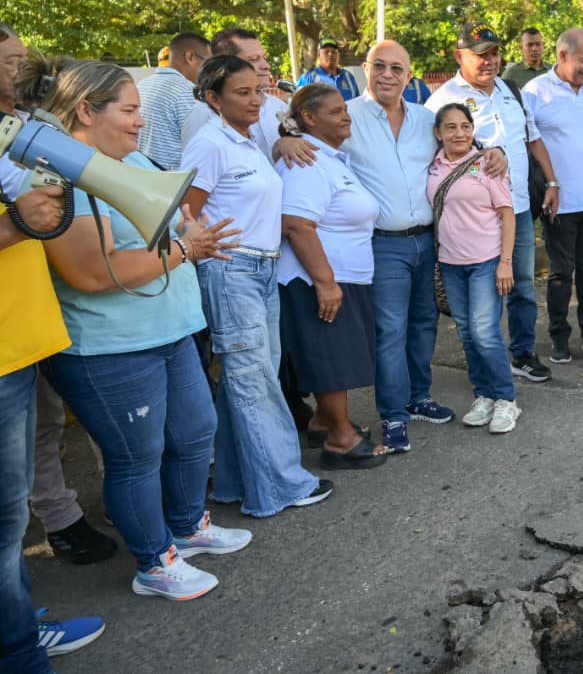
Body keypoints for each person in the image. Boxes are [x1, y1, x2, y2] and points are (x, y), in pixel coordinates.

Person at [18, 56, 250, 601]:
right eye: (129, 110)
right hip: (111, 346)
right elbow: (92, 273)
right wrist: (186, 249)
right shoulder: (62, 179)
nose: (140, 121)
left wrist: (186, 235)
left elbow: (162, 226)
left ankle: (187, 527)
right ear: (85, 111)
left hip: (168, 330)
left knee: (195, 434)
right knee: (136, 456)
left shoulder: (133, 158)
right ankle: (154, 561)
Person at [180, 55, 333, 514]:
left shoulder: (246, 139)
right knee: (254, 382)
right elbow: (183, 213)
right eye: (241, 93)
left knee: (245, 382)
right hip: (232, 271)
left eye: (257, 91)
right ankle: (282, 485)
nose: (254, 100)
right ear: (213, 98)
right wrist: (199, 244)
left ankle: (235, 481)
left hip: (260, 270)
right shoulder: (209, 143)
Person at [337, 40, 504, 452]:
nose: (389, 75)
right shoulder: (347, 116)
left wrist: (494, 150)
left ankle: (419, 397)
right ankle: (393, 414)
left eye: (398, 68)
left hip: (429, 241)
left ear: (409, 75)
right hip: (383, 244)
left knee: (424, 323)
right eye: (380, 66)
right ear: (365, 69)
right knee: (390, 331)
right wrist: (288, 138)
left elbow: (461, 145)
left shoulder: (423, 118)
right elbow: (303, 131)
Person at [0, 33, 104, 667]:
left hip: (19, 341)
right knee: (5, 517)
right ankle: (18, 650)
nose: (24, 70)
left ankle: (14, 618)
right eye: (11, 62)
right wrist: (17, 223)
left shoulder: (12, 130)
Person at [427, 24, 557, 383]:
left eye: (494, 53)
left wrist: (551, 180)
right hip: (474, 219)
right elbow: (434, 158)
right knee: (481, 298)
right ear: (459, 57)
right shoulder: (440, 101)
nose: (489, 61)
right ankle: (485, 360)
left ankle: (522, 353)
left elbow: (533, 139)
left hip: (516, 208)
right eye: (480, 55)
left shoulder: (510, 90)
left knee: (523, 285)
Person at [276, 84, 386, 469]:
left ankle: (326, 421)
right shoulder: (306, 160)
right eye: (336, 111)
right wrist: (324, 281)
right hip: (316, 278)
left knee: (336, 353)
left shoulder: (328, 157)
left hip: (341, 274)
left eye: (345, 109)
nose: (346, 116)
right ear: (309, 117)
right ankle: (339, 439)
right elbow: (296, 225)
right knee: (329, 355)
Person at [523, 28, 583, 363]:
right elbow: (527, 144)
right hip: (559, 200)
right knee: (562, 272)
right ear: (562, 56)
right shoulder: (535, 92)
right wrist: (547, 184)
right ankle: (559, 338)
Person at [428, 103, 521, 433]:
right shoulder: (433, 165)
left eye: (465, 126)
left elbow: (508, 215)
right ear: (438, 133)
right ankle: (483, 394)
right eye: (450, 127)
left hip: (486, 261)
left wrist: (505, 263)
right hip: (451, 265)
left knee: (486, 333)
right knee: (467, 334)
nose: (459, 133)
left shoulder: (486, 164)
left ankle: (506, 400)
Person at [180, 27, 286, 161]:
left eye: (264, 58)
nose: (266, 66)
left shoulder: (277, 107)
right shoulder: (203, 115)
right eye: (253, 59)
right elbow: (196, 172)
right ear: (227, 63)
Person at [138, 31, 211, 169]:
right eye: (208, 62)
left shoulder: (143, 84)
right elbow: (203, 149)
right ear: (190, 57)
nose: (210, 70)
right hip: (174, 184)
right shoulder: (187, 92)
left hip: (144, 175)